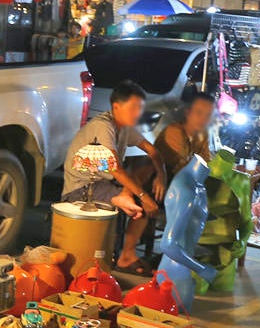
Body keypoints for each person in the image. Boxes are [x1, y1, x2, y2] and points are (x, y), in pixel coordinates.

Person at [63, 80, 167, 275]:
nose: (138, 113)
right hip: (83, 187)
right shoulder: (103, 126)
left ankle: (126, 197)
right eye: (134, 108)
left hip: (108, 182)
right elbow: (114, 168)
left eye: (140, 108)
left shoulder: (126, 127)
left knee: (144, 166)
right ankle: (126, 254)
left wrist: (161, 175)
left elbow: (152, 151)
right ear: (116, 107)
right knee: (140, 201)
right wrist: (143, 195)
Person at [155, 93, 214, 179]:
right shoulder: (175, 132)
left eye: (208, 115)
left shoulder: (203, 134)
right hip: (156, 183)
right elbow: (182, 169)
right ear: (188, 112)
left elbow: (206, 161)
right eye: (199, 112)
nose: (203, 119)